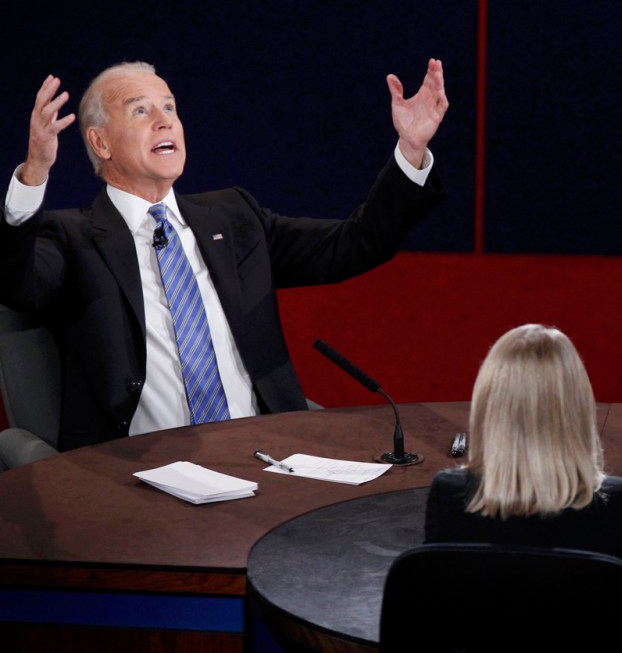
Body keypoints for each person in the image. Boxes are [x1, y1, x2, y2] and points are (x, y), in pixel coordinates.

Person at [0, 59, 448, 450]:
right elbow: (16, 284)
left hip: (263, 453)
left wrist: (411, 151)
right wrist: (33, 173)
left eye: (170, 108)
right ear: (101, 143)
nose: (165, 122)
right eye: (141, 111)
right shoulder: (72, 237)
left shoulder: (234, 218)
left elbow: (353, 244)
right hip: (136, 471)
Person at [424, 324, 622, 631]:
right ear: (576, 405)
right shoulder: (617, 501)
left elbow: (431, 614)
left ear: (488, 405)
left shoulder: (450, 495)